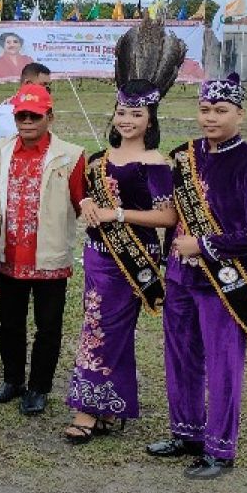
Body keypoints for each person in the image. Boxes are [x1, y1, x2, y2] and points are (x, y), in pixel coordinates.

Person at [146, 74, 247, 479]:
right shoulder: (184, 156)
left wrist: (205, 245)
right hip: (180, 279)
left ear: (240, 114)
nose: (211, 118)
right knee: (180, 358)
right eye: (205, 110)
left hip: (224, 281)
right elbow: (173, 214)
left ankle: (219, 449)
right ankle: (186, 433)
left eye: (221, 111)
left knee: (223, 365)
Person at [64, 80, 176, 443]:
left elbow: (167, 217)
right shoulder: (99, 160)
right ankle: (110, 407)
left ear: (150, 119)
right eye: (122, 112)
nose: (126, 120)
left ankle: (86, 410)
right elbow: (88, 200)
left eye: (136, 114)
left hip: (132, 259)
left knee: (102, 329)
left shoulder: (156, 163)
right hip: (97, 256)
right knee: (103, 328)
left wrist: (118, 214)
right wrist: (87, 205)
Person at [0, 83, 86, 416]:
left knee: (49, 327)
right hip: (8, 256)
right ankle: (12, 381)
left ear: (50, 116)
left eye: (34, 115)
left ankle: (39, 388)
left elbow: (81, 204)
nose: (27, 121)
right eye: (21, 115)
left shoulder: (70, 155)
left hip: (49, 256)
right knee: (9, 324)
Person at [0, 63, 51, 143]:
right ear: (27, 83)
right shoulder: (8, 112)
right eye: (43, 85)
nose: (47, 90)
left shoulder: (31, 105)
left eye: (48, 86)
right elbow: (12, 147)